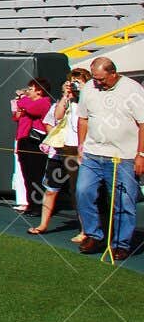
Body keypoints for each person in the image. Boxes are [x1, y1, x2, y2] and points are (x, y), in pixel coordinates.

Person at [74, 56, 144, 259]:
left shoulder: (133, 90)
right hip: (93, 154)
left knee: (123, 201)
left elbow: (143, 124)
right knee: (83, 192)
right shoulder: (89, 88)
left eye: (101, 79)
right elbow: (83, 119)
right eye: (95, 78)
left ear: (113, 73)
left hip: (124, 157)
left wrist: (141, 155)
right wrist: (81, 145)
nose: (98, 83)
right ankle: (94, 234)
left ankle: (120, 244)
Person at [29, 68, 90, 236]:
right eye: (73, 82)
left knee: (77, 192)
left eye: (79, 82)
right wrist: (66, 96)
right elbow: (56, 116)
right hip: (59, 149)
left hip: (76, 151)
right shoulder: (67, 101)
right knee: (50, 189)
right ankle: (43, 224)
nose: (75, 86)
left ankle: (85, 230)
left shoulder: (89, 102)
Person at [11, 78, 52, 214]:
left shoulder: (43, 102)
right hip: (23, 139)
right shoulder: (30, 102)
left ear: (39, 91)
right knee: (27, 175)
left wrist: (22, 98)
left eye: (31, 89)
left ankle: (38, 205)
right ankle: (31, 203)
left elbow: (30, 108)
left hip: (35, 142)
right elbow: (17, 115)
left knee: (36, 174)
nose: (28, 92)